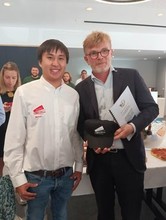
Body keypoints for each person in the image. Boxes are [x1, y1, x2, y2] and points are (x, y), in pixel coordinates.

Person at [75, 31, 159, 220]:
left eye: (104, 51)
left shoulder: (131, 76)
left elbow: (151, 108)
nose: (100, 57)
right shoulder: (80, 88)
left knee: (132, 212)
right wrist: (93, 142)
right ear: (86, 58)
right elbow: (80, 124)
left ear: (112, 52)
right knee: (104, 212)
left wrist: (132, 126)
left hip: (129, 159)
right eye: (94, 53)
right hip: (99, 161)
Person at [4, 39, 83, 220]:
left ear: (66, 63)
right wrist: (18, 178)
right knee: (35, 217)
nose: (55, 63)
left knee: (61, 215)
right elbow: (14, 139)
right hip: (36, 177)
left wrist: (78, 165)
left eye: (61, 58)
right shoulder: (25, 92)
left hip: (65, 176)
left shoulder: (73, 95)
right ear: (40, 61)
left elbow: (75, 135)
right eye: (50, 57)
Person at [0, 61, 21, 176]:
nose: (11, 81)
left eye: (14, 77)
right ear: (2, 77)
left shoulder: (21, 92)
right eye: (7, 77)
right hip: (2, 131)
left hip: (16, 132)